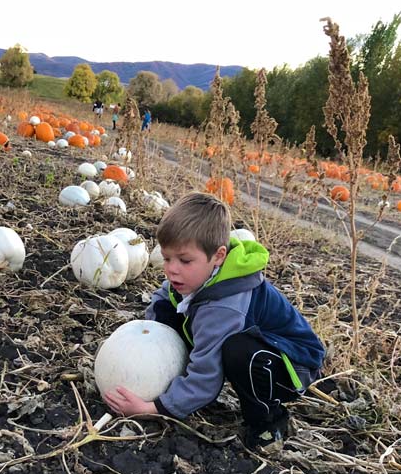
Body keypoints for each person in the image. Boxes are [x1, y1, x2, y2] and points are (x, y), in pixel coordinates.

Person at [102, 193, 326, 451]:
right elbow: (163, 298)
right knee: (167, 306)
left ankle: (267, 423)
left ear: (218, 256)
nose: (172, 269)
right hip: (260, 346)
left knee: (239, 352)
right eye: (166, 258)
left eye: (184, 260)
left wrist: (154, 409)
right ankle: (180, 385)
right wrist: (146, 352)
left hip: (291, 365)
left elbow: (207, 377)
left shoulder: (226, 306)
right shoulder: (194, 277)